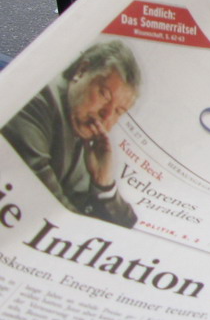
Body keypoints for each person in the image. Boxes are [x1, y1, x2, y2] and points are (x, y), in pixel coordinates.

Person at [2, 40, 142, 228]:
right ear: (81, 71)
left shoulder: (83, 136)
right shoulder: (36, 99)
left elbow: (127, 224)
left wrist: (104, 184)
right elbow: (47, 205)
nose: (106, 115)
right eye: (104, 95)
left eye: (118, 111)